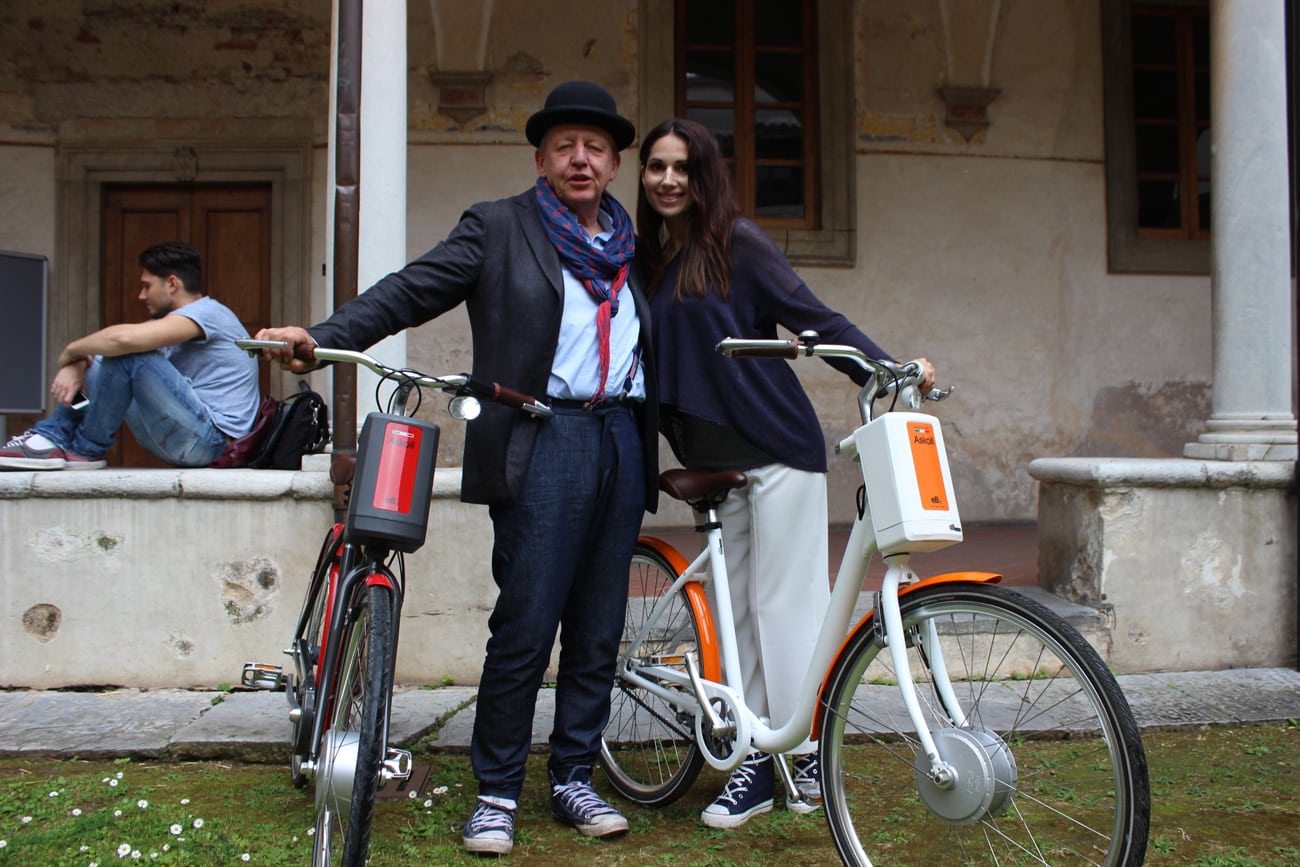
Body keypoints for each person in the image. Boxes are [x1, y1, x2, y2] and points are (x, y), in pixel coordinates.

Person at [254, 81, 658, 857]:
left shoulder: (631, 243)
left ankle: (575, 773)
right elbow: (412, 290)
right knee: (527, 622)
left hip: (621, 436)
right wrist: (324, 332)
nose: (581, 158)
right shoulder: (500, 228)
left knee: (600, 625)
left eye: (596, 147)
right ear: (542, 158)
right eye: (565, 145)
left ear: (614, 164)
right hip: (544, 435)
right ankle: (497, 791)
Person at [636, 118, 935, 829]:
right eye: (655, 167)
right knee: (738, 620)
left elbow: (814, 318)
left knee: (783, 609)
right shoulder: (653, 260)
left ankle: (792, 759)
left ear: (704, 173)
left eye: (682, 166)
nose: (668, 179)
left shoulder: (736, 244)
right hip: (710, 464)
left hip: (774, 450)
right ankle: (758, 754)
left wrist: (889, 366)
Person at [0, 241, 260, 471]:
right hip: (187, 436)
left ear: (172, 283)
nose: (141, 295)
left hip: (213, 441)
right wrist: (79, 363)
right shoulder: (169, 326)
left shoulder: (209, 313)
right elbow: (110, 350)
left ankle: (87, 449)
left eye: (146, 286)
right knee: (102, 361)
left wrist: (70, 352)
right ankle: (52, 437)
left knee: (129, 354)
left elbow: (123, 341)